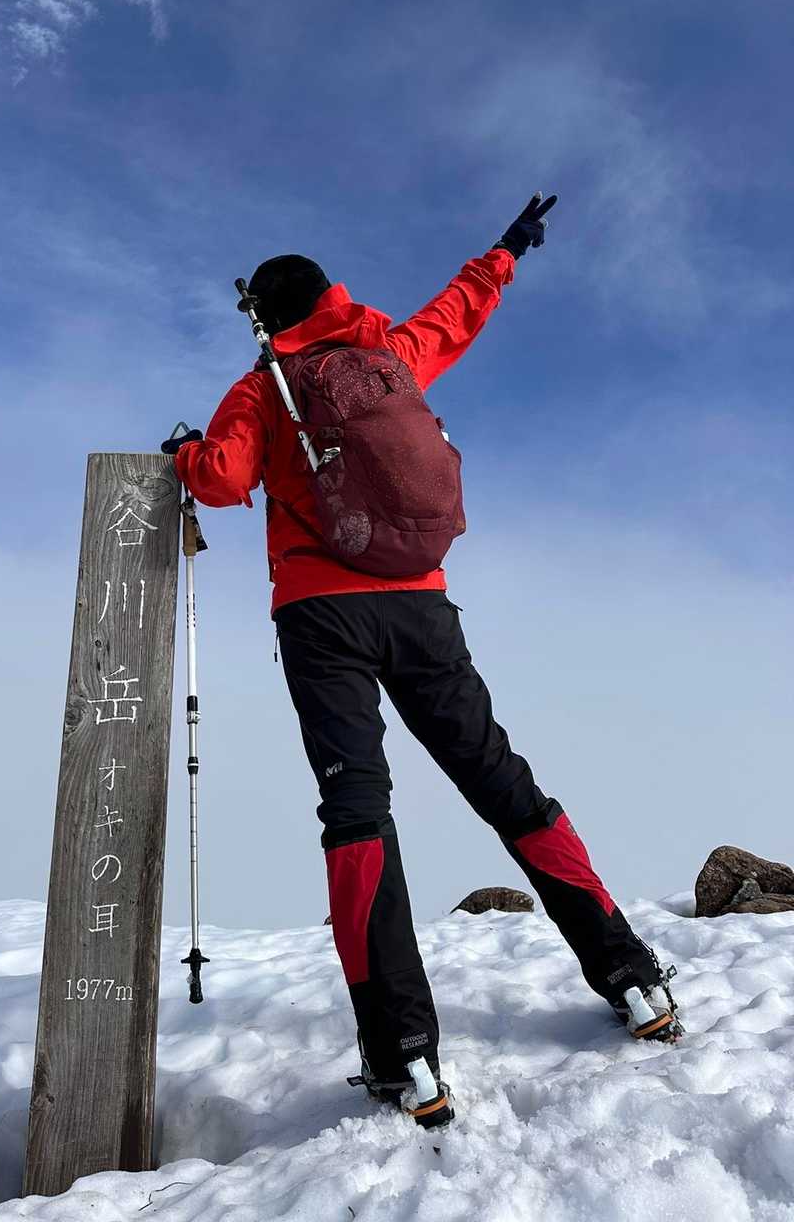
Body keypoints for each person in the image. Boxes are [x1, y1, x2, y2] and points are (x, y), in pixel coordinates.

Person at [161, 194, 681, 1129]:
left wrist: (186, 455)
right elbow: (459, 310)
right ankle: (630, 975)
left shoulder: (262, 388)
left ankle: (404, 1050)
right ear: (332, 296)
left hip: (321, 616)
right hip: (421, 606)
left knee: (357, 811)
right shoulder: (389, 356)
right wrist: (507, 249)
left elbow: (226, 478)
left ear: (263, 317)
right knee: (501, 781)